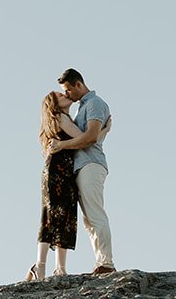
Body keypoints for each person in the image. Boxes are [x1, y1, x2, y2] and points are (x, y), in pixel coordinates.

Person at [50, 68, 114, 274]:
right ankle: (101, 262)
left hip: (91, 165)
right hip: (82, 166)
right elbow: (91, 137)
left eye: (68, 90)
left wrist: (61, 146)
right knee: (89, 219)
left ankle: (107, 263)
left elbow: (90, 138)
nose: (67, 94)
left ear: (78, 84)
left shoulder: (94, 104)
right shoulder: (82, 108)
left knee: (95, 214)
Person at [28, 91, 79, 280]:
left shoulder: (59, 119)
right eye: (60, 95)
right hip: (58, 171)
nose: (65, 94)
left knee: (57, 215)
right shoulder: (61, 117)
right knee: (58, 215)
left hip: (60, 171)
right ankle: (49, 266)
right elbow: (84, 138)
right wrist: (104, 130)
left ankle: (48, 266)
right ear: (54, 103)